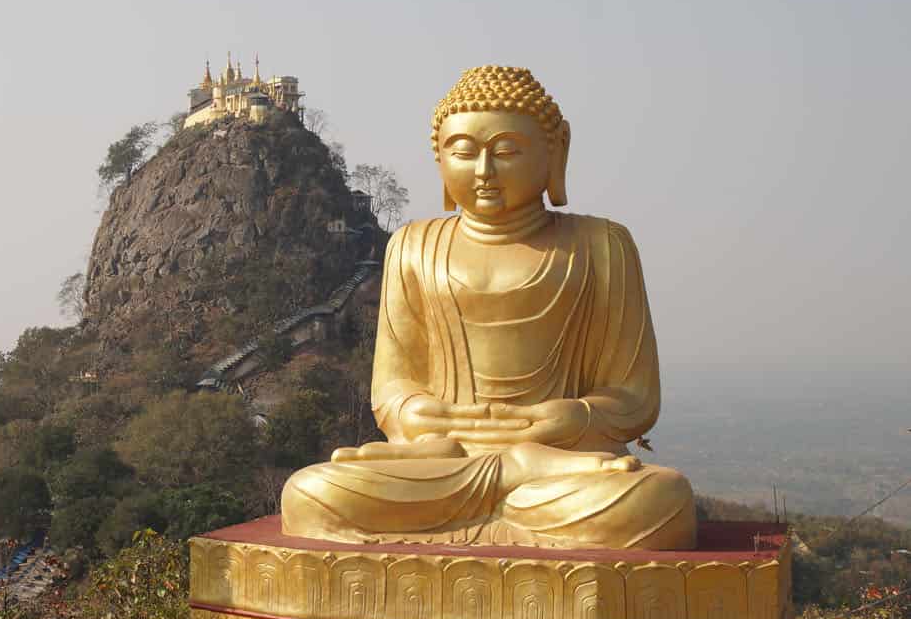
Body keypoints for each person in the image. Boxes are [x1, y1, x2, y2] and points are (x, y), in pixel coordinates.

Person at [280, 66, 696, 549]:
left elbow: (635, 396)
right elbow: (392, 388)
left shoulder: (601, 245)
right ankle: (505, 515)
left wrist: (577, 417)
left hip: (556, 463)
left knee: (660, 499)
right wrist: (417, 413)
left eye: (506, 152)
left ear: (555, 152)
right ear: (440, 158)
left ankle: (480, 517)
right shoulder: (414, 246)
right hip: (446, 459)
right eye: (463, 151)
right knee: (311, 493)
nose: (483, 171)